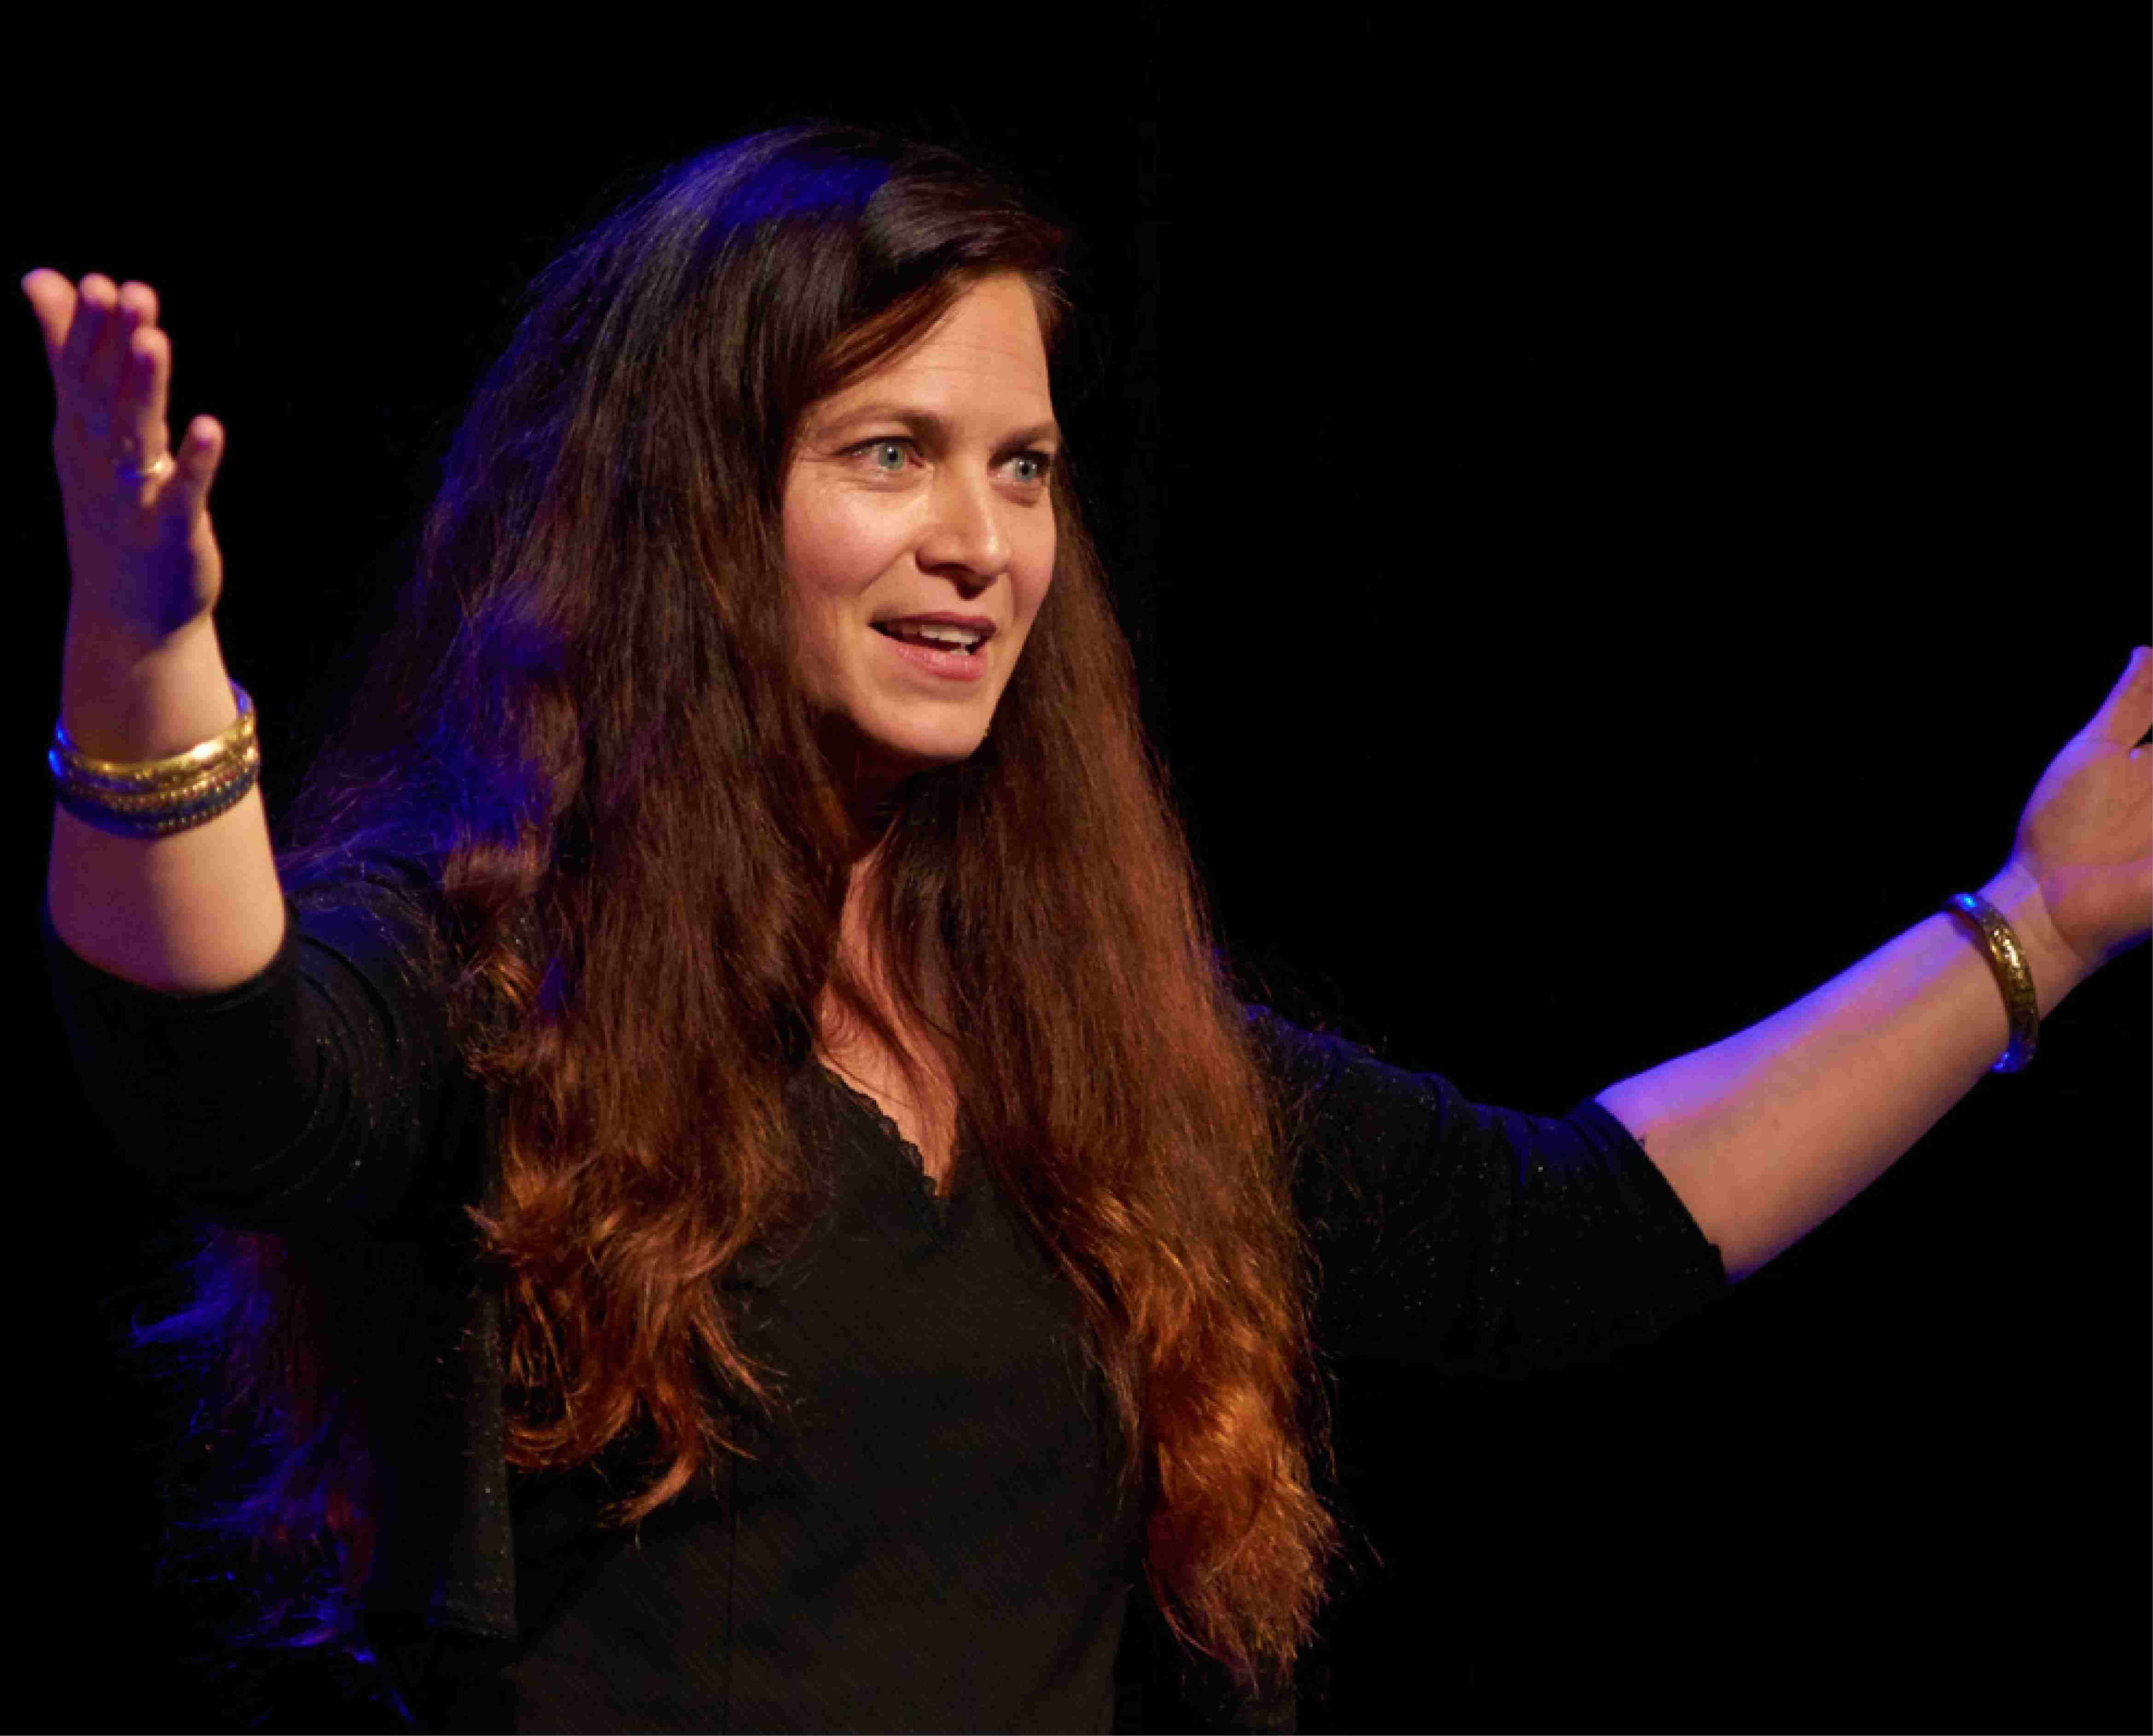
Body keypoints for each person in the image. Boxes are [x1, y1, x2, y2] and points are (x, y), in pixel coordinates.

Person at [28, 119, 2151, 1734]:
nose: (979, 541)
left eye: (1024, 467)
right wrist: (143, 661)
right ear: (694, 505)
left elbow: (1557, 1234)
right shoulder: (501, 978)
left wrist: (2028, 922)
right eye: (891, 453)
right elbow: (224, 1066)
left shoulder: (1081, 1044)